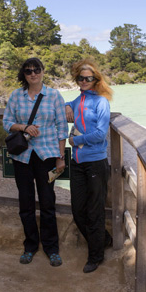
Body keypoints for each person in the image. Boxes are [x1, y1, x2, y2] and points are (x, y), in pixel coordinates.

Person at [3, 57, 67, 266]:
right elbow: (6, 122)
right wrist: (23, 127)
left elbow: (61, 127)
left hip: (47, 156)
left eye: (36, 70)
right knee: (26, 202)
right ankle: (30, 245)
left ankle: (51, 248)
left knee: (48, 201)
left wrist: (60, 157)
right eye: (29, 71)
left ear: (42, 71)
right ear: (24, 74)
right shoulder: (16, 95)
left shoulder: (54, 96)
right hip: (22, 157)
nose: (33, 74)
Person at [65, 59, 112, 273]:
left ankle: (95, 256)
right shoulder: (80, 99)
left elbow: (101, 134)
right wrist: (66, 107)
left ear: (95, 80)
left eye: (88, 78)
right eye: (80, 78)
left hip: (95, 162)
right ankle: (103, 239)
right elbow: (69, 107)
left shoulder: (101, 102)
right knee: (78, 210)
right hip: (77, 162)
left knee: (94, 211)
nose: (84, 81)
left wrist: (77, 140)